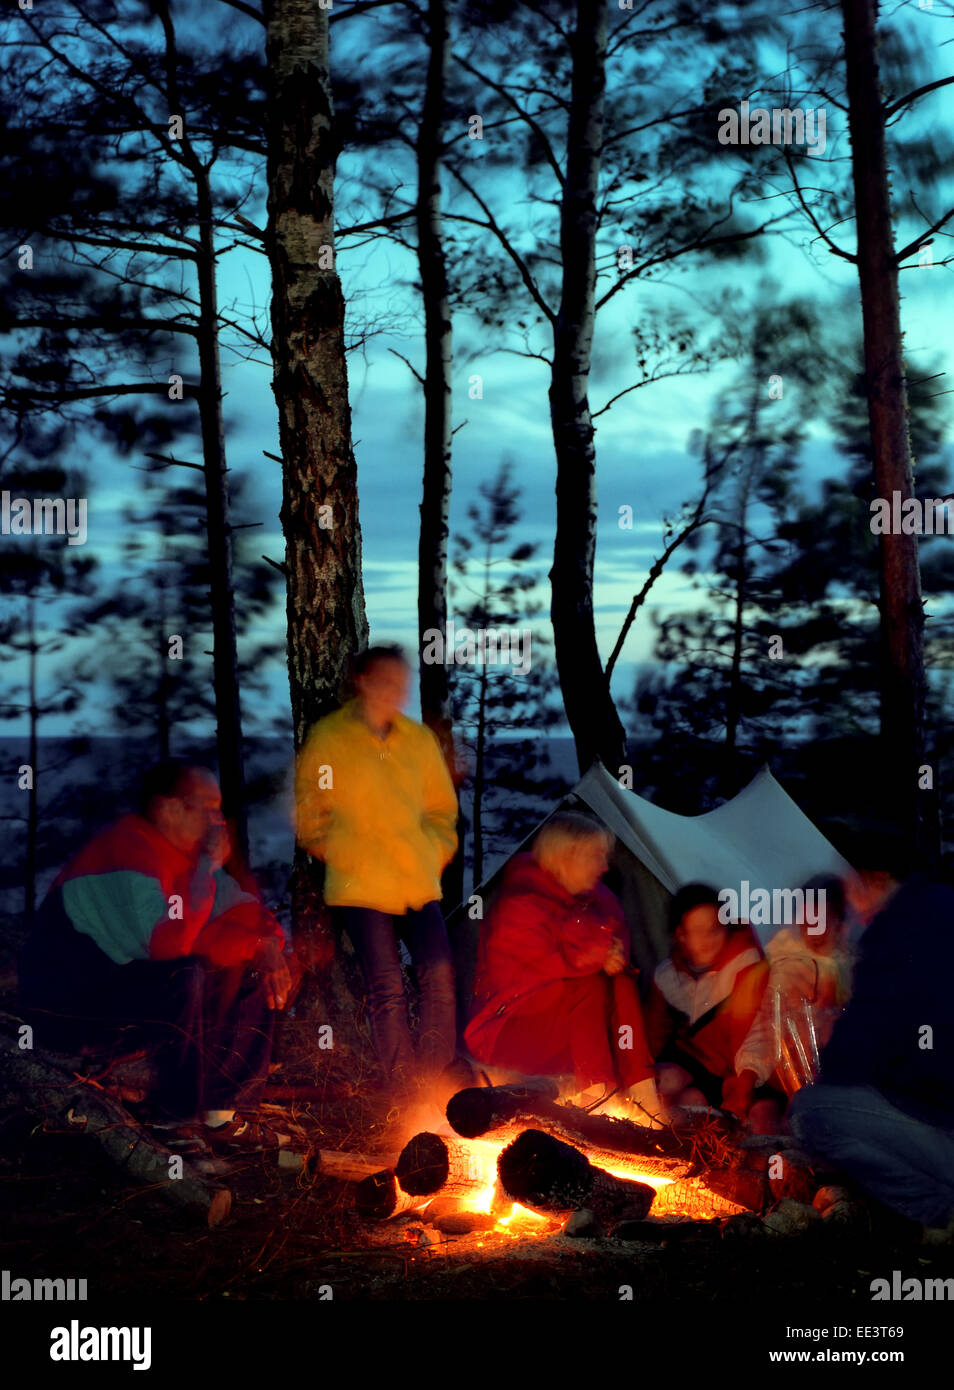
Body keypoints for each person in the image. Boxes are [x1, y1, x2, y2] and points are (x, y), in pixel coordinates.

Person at [18, 760, 293, 1156]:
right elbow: (168, 944)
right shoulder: (128, 849)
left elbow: (242, 909)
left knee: (252, 974)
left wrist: (265, 946)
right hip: (68, 1006)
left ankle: (220, 1115)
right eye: (208, 806)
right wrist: (205, 871)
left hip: (121, 988)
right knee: (185, 974)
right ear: (169, 809)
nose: (219, 820)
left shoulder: (189, 861)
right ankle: (173, 1119)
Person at [295, 645, 459, 1092]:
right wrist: (346, 853)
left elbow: (442, 810)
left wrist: (433, 851)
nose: (396, 690)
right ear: (363, 681)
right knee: (387, 986)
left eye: (401, 682)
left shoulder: (417, 740)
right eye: (386, 680)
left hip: (416, 880)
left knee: (440, 975)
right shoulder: (332, 738)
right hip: (362, 885)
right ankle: (405, 1089)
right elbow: (310, 811)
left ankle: (438, 1082)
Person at [789, 843, 954, 1236]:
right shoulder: (941, 908)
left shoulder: (898, 930)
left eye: (854, 890)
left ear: (874, 880)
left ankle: (940, 1213)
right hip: (937, 1099)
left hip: (944, 1120)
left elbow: (860, 1046)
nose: (855, 906)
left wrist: (823, 1068)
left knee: (811, 1111)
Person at [464, 812, 661, 1121]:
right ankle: (597, 1094)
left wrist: (610, 955)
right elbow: (528, 973)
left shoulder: (600, 900)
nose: (604, 866)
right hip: (509, 1031)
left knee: (619, 981)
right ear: (564, 857)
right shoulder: (519, 901)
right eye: (594, 856)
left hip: (566, 1034)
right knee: (588, 983)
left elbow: (614, 954)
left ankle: (643, 1093)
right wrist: (596, 954)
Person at [645, 882, 780, 1130]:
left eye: (715, 930)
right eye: (698, 931)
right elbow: (652, 1037)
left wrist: (744, 1085)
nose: (708, 939)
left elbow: (757, 1034)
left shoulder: (746, 965)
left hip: (740, 1070)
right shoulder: (667, 977)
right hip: (696, 1064)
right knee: (664, 1084)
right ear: (680, 935)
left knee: (762, 1114)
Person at [736, 874, 854, 1096]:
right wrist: (749, 1072)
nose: (814, 930)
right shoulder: (790, 966)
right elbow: (768, 1025)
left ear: (840, 923)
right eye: (808, 921)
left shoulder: (856, 969)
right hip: (788, 1078)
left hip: (840, 1079)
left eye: (823, 921)